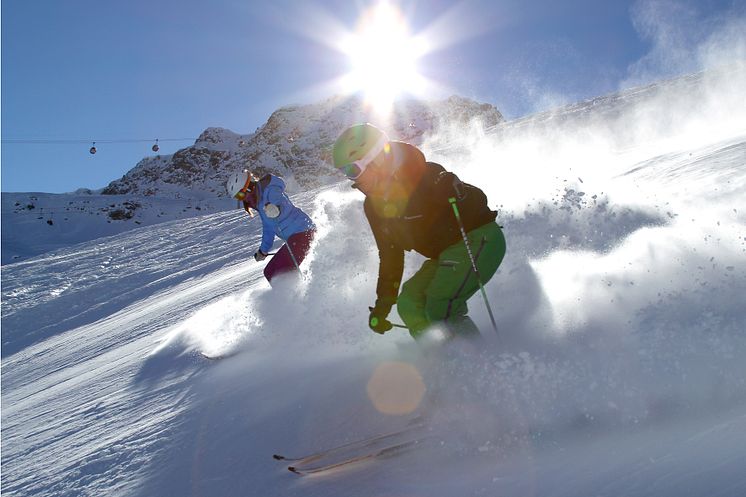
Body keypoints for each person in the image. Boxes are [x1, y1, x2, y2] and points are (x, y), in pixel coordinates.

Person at [332, 123, 506, 340]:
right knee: (409, 303)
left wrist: (459, 192)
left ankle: (476, 362)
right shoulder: (373, 207)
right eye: (346, 173)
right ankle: (439, 356)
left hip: (478, 239)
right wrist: (384, 304)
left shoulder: (422, 173)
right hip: (445, 255)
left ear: (375, 159)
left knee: (439, 304)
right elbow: (390, 254)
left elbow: (477, 201)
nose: (353, 180)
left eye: (352, 170)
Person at [226, 170, 316, 284]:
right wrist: (263, 251)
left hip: (304, 233)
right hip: (295, 238)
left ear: (249, 186)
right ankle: (295, 295)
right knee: (270, 272)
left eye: (241, 194)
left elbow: (282, 202)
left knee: (277, 273)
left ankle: (297, 296)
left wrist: (276, 207)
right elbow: (269, 229)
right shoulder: (259, 203)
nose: (242, 199)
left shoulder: (270, 190)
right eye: (238, 197)